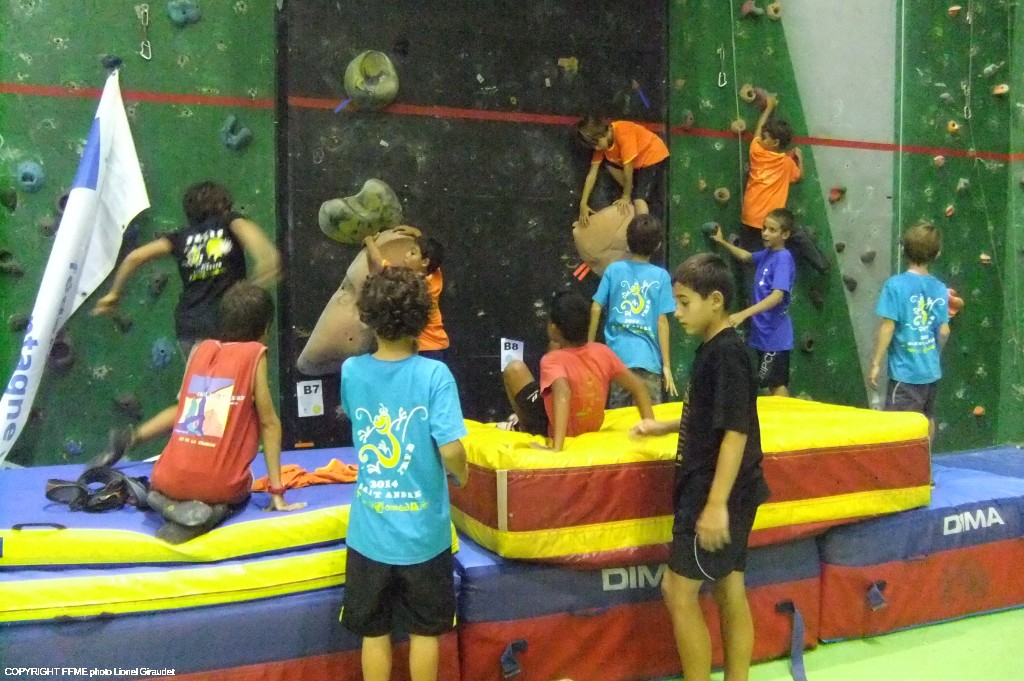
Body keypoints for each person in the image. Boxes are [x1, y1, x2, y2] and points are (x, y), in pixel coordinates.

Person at [632, 253, 771, 681]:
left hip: (716, 490)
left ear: (715, 300)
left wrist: (715, 505)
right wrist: (664, 426)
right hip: (729, 488)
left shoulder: (726, 353)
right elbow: (713, 414)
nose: (677, 313)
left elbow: (736, 431)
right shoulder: (715, 350)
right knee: (729, 588)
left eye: (684, 302)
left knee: (678, 591)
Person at [340, 267, 469, 681]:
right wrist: (462, 475)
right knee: (424, 634)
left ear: (367, 316)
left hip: (370, 535)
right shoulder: (435, 375)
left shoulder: (351, 371)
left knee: (374, 634)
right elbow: (451, 449)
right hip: (423, 538)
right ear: (423, 318)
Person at [124, 282, 306, 543]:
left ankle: (161, 501)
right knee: (243, 481)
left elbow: (187, 412)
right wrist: (277, 492)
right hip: (217, 488)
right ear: (265, 328)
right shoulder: (254, 354)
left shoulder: (201, 350)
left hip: (165, 479)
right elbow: (269, 424)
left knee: (207, 432)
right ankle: (213, 513)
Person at [93, 180, 280, 358]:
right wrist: (265, 256)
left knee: (199, 380)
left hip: (190, 327)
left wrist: (114, 294)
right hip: (227, 324)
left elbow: (135, 257)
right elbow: (246, 230)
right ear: (222, 205)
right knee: (237, 378)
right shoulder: (228, 222)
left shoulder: (179, 238)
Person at [502, 291, 655, 452]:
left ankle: (522, 426)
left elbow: (563, 392)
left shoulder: (552, 359)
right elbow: (639, 386)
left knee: (514, 369)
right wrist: (651, 429)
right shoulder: (602, 352)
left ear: (554, 328)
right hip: (590, 427)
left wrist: (557, 448)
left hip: (555, 428)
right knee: (553, 354)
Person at [868, 221, 950, 442]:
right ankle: (925, 460)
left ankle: (903, 464)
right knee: (926, 417)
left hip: (905, 373)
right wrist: (933, 355)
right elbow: (943, 331)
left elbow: (888, 326)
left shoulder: (895, 285)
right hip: (931, 371)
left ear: (904, 250)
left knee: (897, 425)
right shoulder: (940, 287)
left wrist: (876, 363)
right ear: (937, 254)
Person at [588, 214, 678, 406]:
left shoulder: (613, 270)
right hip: (649, 362)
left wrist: (589, 346)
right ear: (658, 245)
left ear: (628, 241)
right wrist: (667, 366)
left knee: (619, 417)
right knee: (649, 419)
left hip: (617, 361)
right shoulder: (661, 276)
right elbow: (662, 322)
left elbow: (596, 307)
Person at [711, 208, 797, 396]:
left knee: (777, 385)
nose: (765, 233)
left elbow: (777, 296)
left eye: (772, 230)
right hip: (762, 334)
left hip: (774, 336)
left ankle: (782, 416)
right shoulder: (768, 254)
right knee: (766, 385)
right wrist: (722, 242)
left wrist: (743, 314)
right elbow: (746, 257)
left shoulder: (783, 258)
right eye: (764, 228)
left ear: (785, 234)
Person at [738, 97, 827, 274]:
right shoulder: (787, 163)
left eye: (765, 138)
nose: (761, 139)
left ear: (775, 143)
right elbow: (799, 176)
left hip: (750, 217)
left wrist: (769, 107)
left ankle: (750, 287)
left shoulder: (757, 152)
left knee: (750, 259)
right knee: (798, 236)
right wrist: (799, 158)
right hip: (774, 222)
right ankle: (822, 264)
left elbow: (757, 130)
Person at [363, 228, 450, 361]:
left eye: (413, 253)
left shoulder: (410, 284)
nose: (407, 254)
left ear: (425, 262)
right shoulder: (436, 275)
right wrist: (415, 233)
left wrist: (369, 241)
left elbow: (378, 262)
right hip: (438, 345)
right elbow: (431, 251)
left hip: (424, 349)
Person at [574, 117, 669, 226]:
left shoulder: (623, 132)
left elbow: (628, 167)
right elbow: (592, 174)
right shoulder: (602, 146)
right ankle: (631, 189)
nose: (597, 149)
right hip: (636, 166)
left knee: (639, 199)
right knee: (608, 164)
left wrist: (626, 197)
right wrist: (583, 203)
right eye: (593, 146)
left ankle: (644, 232)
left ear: (602, 134)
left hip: (652, 156)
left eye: (596, 144)